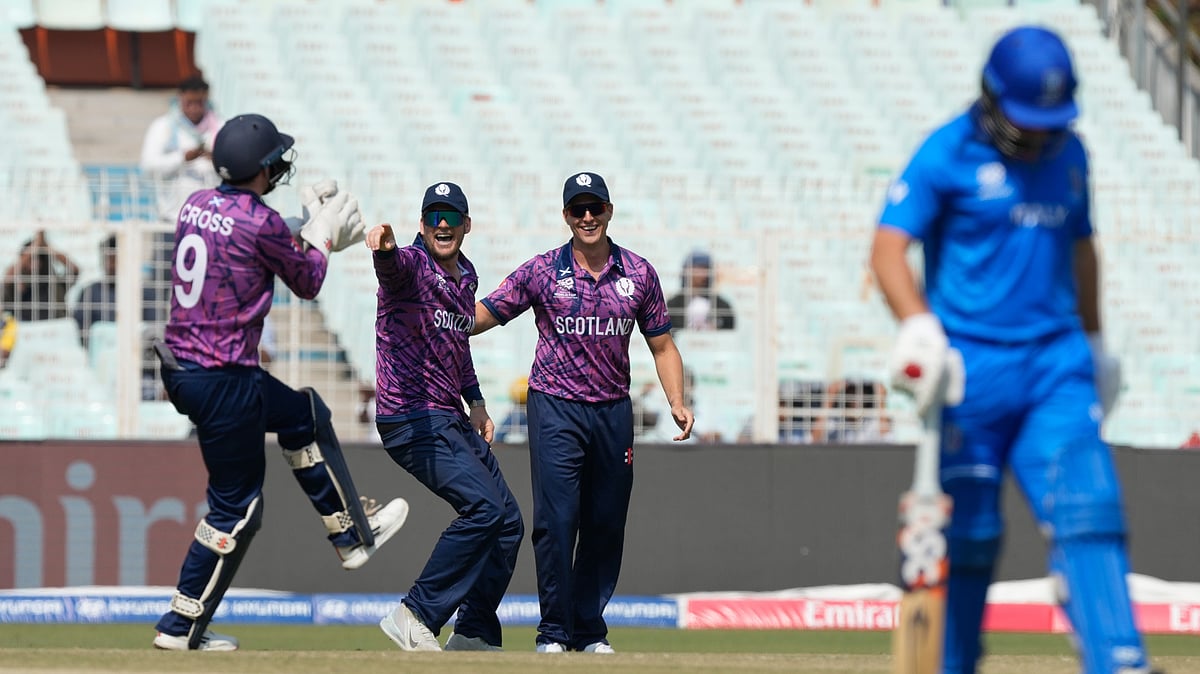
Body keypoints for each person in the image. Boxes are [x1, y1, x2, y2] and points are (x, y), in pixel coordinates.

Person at [870, 27, 1157, 674]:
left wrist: (1095, 338)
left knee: (1090, 506)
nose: (1035, 135)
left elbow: (1082, 250)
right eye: (1025, 120)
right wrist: (919, 324)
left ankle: (1119, 658)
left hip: (1056, 365)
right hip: (969, 370)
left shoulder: (1072, 155)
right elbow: (888, 247)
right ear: (991, 97)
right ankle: (952, 662)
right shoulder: (947, 152)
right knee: (968, 534)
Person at [151, 113, 408, 652]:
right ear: (263, 167)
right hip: (224, 377)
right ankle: (180, 626)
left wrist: (307, 228)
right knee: (238, 508)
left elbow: (256, 238)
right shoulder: (260, 223)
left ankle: (350, 533)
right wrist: (321, 235)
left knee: (302, 415)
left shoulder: (197, 205)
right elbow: (309, 279)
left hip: (186, 367)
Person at [473, 171, 695, 654]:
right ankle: (553, 632)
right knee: (556, 522)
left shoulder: (638, 273)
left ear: (610, 211)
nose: (588, 217)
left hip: (614, 412)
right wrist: (436, 315)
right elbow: (485, 313)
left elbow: (662, 346)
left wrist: (676, 399)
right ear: (566, 216)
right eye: (579, 209)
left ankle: (589, 630)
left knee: (606, 522)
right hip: (555, 407)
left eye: (596, 208)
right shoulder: (542, 271)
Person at [368, 181, 524, 653]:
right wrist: (385, 250)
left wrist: (475, 401)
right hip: (411, 417)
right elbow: (393, 271)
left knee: (509, 522)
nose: (442, 225)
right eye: (434, 217)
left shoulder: (466, 276)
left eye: (452, 217)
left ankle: (473, 629)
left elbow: (458, 346)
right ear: (421, 225)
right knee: (484, 509)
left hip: (450, 416)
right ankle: (415, 613)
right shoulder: (413, 265)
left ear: (466, 225)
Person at [140, 76, 224, 224]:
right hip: (173, 216)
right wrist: (182, 158)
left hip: (212, 219)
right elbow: (148, 166)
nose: (194, 108)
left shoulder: (220, 126)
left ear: (207, 99)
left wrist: (217, 158)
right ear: (180, 99)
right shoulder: (162, 126)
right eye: (188, 103)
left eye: (199, 102)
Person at [1, 229, 78, 322]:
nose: (34, 263)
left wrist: (45, 246)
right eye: (30, 259)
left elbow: (74, 269)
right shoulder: (15, 284)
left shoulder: (54, 283)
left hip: (56, 329)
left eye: (38, 258)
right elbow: (8, 277)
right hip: (26, 331)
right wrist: (36, 244)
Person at [665, 250, 736, 331]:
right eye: (696, 268)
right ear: (685, 271)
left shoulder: (722, 305)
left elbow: (729, 334)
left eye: (704, 268)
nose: (700, 273)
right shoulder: (674, 304)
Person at [494, 375, 530, 444]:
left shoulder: (515, 414)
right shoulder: (522, 414)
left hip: (520, 410)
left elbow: (499, 434)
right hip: (526, 410)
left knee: (500, 434)